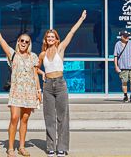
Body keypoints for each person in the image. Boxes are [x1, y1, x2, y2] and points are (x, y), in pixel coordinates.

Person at [0, 12, 40, 157]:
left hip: (29, 92)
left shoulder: (33, 56)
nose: (23, 43)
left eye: (26, 41)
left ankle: (22, 147)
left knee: (25, 119)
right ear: (18, 42)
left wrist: (38, 91)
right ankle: (10, 148)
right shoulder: (12, 54)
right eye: (21, 40)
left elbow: (35, 75)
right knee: (14, 117)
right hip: (16, 91)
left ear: (29, 44)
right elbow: (1, 39)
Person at [38, 9, 87, 157]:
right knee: (49, 117)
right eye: (48, 37)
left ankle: (62, 147)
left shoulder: (60, 49)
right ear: (45, 40)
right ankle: (51, 147)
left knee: (63, 117)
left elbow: (71, 32)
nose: (50, 39)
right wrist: (43, 74)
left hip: (60, 85)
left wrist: (81, 19)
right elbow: (36, 69)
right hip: (47, 87)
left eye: (52, 37)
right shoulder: (42, 54)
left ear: (57, 39)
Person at [113, 31, 131, 103]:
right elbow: (115, 56)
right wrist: (116, 66)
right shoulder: (117, 44)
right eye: (125, 36)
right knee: (124, 82)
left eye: (128, 36)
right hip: (123, 66)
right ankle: (125, 96)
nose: (127, 37)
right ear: (121, 36)